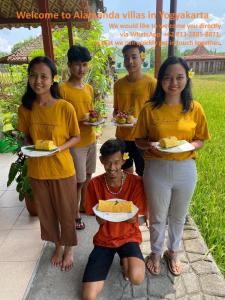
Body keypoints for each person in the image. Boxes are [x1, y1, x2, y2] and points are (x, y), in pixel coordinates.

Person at [135, 56, 209, 276]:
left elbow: (201, 139)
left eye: (179, 77)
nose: (173, 82)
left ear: (187, 79)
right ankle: (156, 252)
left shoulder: (195, 108)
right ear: (160, 80)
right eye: (167, 78)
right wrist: (151, 145)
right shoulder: (150, 109)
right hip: (156, 167)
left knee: (179, 215)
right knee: (157, 215)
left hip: (186, 168)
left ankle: (173, 251)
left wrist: (189, 146)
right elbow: (138, 140)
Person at [17, 56, 80, 271]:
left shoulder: (64, 107)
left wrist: (58, 148)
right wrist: (27, 147)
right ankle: (58, 245)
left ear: (53, 79)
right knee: (47, 213)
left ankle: (69, 248)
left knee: (66, 212)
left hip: (62, 169)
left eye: (43, 76)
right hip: (38, 170)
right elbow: (26, 137)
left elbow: (76, 136)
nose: (38, 81)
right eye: (33, 75)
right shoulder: (25, 108)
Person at [82, 139, 147, 300]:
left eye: (117, 162)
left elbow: (133, 219)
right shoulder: (94, 184)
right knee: (89, 296)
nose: (112, 168)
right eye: (108, 163)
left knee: (137, 277)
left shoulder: (136, 182)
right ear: (101, 161)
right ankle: (120, 259)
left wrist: (126, 213)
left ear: (124, 160)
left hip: (128, 237)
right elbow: (98, 220)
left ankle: (124, 259)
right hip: (105, 239)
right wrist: (101, 216)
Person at [60, 45, 96, 230]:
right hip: (75, 142)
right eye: (77, 65)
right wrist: (79, 121)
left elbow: (89, 111)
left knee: (88, 175)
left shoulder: (88, 88)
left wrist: (93, 117)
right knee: (78, 180)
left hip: (91, 138)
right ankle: (74, 214)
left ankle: (83, 205)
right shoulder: (63, 90)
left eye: (84, 65)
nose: (81, 69)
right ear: (69, 65)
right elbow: (60, 118)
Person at [113, 41, 156, 176]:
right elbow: (116, 110)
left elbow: (156, 113)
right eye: (126, 57)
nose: (129, 61)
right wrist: (117, 118)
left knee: (143, 172)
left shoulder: (152, 83)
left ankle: (143, 197)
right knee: (125, 170)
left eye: (134, 57)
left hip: (141, 139)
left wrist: (140, 121)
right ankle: (130, 195)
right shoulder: (118, 84)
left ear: (142, 58)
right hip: (122, 138)